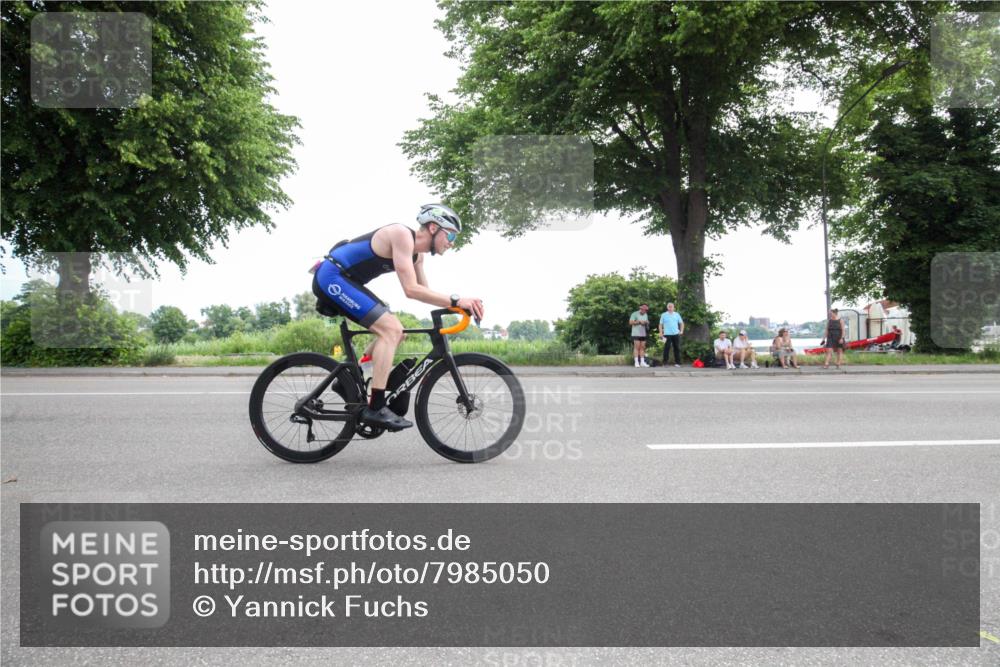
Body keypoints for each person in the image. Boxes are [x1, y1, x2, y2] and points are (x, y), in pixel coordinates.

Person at [312, 204, 483, 430]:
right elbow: (411, 289)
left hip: (346, 280)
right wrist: (456, 300)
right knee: (391, 330)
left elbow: (424, 291)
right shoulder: (402, 235)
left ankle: (350, 381)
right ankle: (376, 406)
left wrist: (457, 306)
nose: (452, 242)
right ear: (433, 227)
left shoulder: (418, 256)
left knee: (397, 333)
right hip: (332, 276)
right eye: (450, 234)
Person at [658, 303, 684, 367]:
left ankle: (678, 363)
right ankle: (665, 363)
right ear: (667, 308)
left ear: (673, 307)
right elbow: (660, 324)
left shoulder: (677, 314)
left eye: (671, 307)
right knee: (666, 348)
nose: (670, 308)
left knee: (677, 348)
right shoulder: (663, 315)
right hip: (667, 334)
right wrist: (661, 333)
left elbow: (681, 323)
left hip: (676, 333)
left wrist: (681, 331)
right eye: (669, 307)